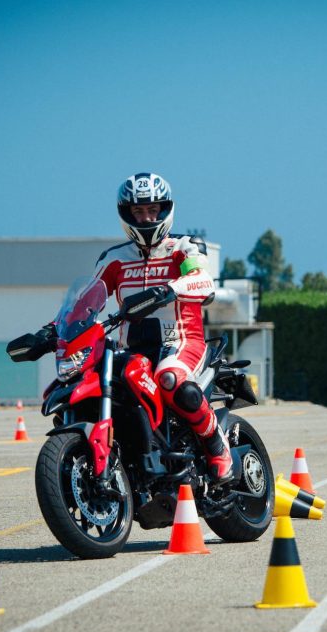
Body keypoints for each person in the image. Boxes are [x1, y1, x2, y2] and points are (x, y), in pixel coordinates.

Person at [94, 172, 232, 485]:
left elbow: (203, 281)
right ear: (127, 215)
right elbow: (89, 301)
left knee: (170, 378)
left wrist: (169, 290)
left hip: (182, 342)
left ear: (165, 210)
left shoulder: (183, 247)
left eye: (153, 210)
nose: (146, 217)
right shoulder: (113, 259)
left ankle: (216, 445)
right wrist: (55, 329)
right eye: (139, 212)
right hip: (133, 351)